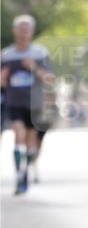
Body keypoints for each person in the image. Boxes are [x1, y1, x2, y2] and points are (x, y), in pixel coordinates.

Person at [1, 14, 53, 194]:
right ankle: (19, 175)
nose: (23, 32)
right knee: (18, 135)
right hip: (14, 102)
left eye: (27, 29)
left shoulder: (40, 53)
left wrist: (34, 67)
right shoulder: (6, 55)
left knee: (31, 142)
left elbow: (49, 78)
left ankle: (26, 170)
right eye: (20, 28)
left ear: (31, 32)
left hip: (34, 104)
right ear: (14, 31)